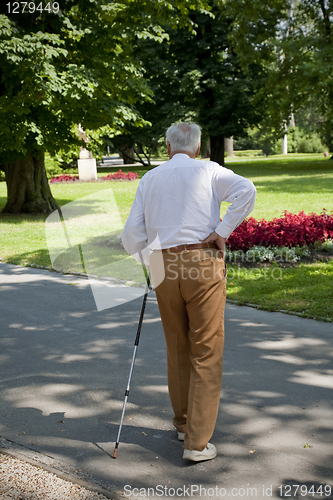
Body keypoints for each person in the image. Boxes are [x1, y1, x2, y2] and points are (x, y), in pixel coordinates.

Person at [121, 122, 256, 462]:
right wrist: (222, 230)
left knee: (178, 345)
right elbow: (247, 191)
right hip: (202, 259)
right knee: (206, 349)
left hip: (162, 265)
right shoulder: (209, 170)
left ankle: (183, 424)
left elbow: (131, 234)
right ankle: (196, 443)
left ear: (167, 147)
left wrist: (147, 259)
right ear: (197, 148)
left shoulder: (150, 178)